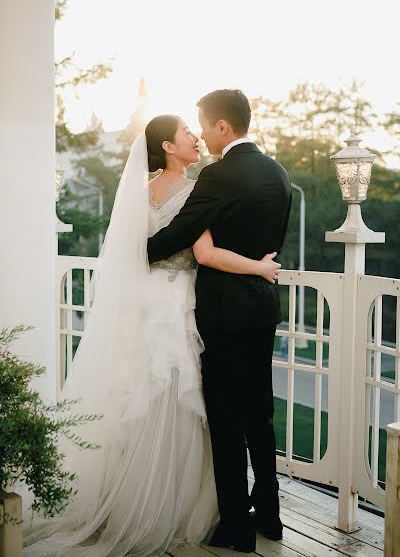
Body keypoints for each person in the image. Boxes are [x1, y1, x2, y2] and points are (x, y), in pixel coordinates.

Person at [22, 114, 281, 557]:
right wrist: (260, 266)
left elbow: (134, 249)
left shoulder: (138, 195)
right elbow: (203, 252)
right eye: (186, 133)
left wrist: (140, 259)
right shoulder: (198, 188)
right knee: (189, 400)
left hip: (145, 300)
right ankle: (180, 507)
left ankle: (130, 498)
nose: (195, 138)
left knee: (140, 396)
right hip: (181, 300)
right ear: (166, 146)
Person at [148, 90, 292, 553]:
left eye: (205, 126)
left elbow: (180, 233)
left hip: (223, 312)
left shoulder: (217, 175)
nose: (203, 134)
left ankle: (236, 525)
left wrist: (141, 250)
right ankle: (270, 516)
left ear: (223, 127)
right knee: (261, 413)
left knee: (226, 419)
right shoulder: (279, 173)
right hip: (262, 304)